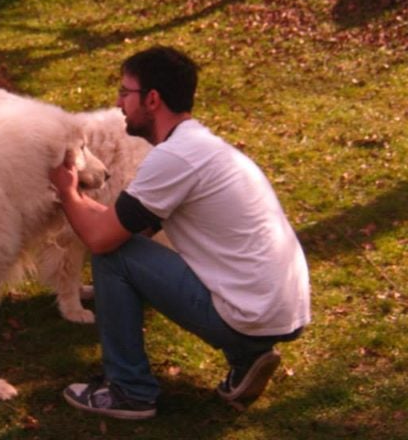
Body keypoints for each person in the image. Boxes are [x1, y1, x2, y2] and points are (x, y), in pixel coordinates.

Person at [49, 45, 311, 420]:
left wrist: (66, 190)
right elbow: (120, 222)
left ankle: (129, 391)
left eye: (126, 92)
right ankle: (248, 356)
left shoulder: (175, 158)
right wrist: (80, 197)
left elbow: (102, 238)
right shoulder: (201, 147)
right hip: (283, 311)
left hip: (251, 315)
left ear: (152, 99)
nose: (119, 102)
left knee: (113, 256)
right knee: (123, 242)